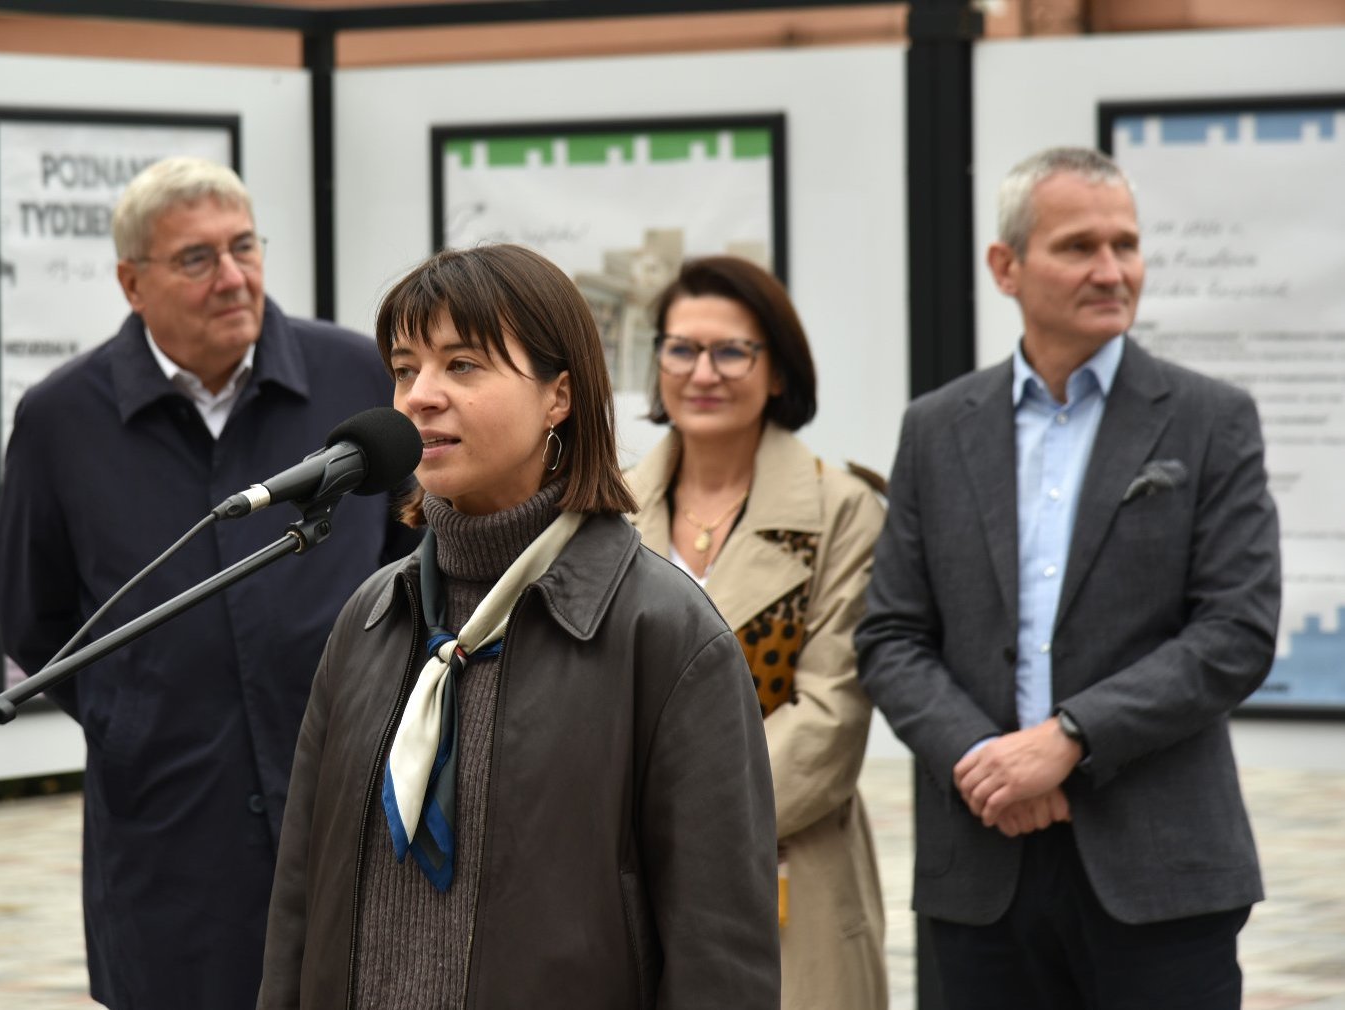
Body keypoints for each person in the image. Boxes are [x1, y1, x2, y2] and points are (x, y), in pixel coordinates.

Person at [258, 243, 780, 1008]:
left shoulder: (664, 635)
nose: (420, 397)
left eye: (462, 365)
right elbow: (299, 905)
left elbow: (721, 956)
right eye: (406, 368)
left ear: (559, 396)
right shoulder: (371, 619)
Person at [856, 146, 1280, 1009]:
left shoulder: (1208, 419)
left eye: (1126, 245)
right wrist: (983, 761)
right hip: (984, 868)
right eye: (1079, 246)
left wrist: (1068, 739)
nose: (1113, 270)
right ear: (1005, 267)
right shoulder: (937, 428)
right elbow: (891, 634)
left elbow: (1235, 631)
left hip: (1161, 870)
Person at [0, 157, 416, 1010]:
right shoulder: (59, 420)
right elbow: (37, 625)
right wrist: (136, 715)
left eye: (244, 248)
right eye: (197, 258)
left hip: (354, 808)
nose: (233, 277)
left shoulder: (358, 380)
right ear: (131, 282)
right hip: (170, 828)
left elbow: (406, 568)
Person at [625, 255, 888, 1009]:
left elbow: (829, 717)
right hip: (626, 872)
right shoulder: (606, 509)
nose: (703, 372)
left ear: (778, 371)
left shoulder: (844, 511)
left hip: (784, 865)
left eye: (732, 350)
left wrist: (672, 821)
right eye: (681, 348)